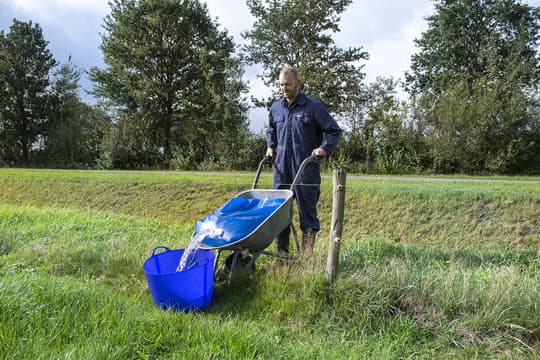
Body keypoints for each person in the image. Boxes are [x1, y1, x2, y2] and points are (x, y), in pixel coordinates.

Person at [266, 65, 342, 255]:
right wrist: (270, 146)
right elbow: (271, 130)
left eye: (288, 84)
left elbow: (334, 131)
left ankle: (307, 258)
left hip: (305, 169)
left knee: (307, 215)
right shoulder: (276, 108)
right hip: (281, 169)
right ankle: (281, 257)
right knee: (279, 214)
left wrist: (323, 148)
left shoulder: (313, 107)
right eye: (281, 85)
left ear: (298, 84)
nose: (284, 88)